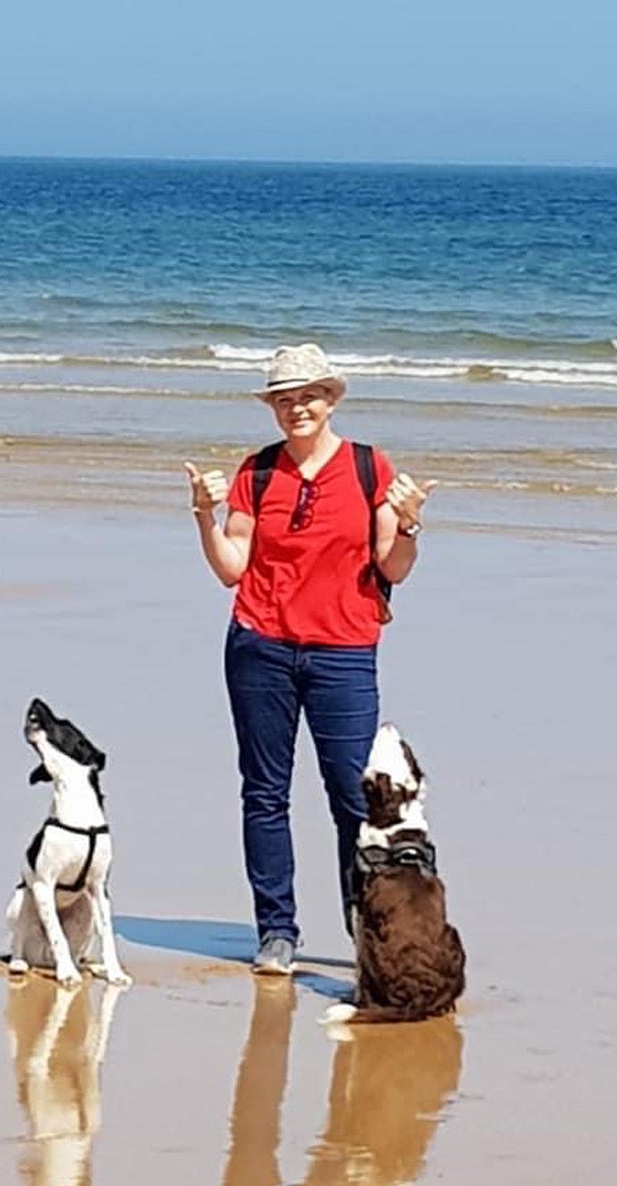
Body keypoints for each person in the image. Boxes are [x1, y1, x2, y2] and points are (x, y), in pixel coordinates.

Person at [184, 343, 436, 975]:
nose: (297, 408)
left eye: (308, 397)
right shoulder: (257, 472)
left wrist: (407, 525)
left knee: (354, 798)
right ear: (272, 408)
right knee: (264, 793)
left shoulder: (367, 467)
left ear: (330, 400)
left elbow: (392, 568)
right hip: (260, 645)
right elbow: (230, 569)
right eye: (284, 399)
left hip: (343, 652)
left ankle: (366, 932)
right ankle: (276, 932)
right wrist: (203, 514)